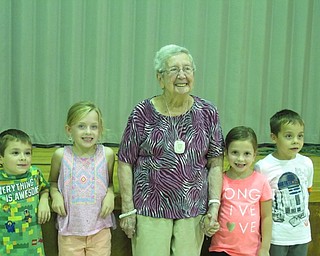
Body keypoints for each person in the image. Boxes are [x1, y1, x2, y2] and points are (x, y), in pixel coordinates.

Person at [117, 44, 225, 256]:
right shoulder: (143, 113)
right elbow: (125, 161)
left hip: (192, 209)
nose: (182, 75)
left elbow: (215, 162)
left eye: (187, 68)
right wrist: (127, 209)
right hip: (150, 209)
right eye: (174, 70)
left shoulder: (207, 112)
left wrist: (214, 205)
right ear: (160, 78)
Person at [49, 101, 115, 256]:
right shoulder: (60, 155)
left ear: (100, 130)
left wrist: (110, 195)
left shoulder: (107, 155)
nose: (88, 132)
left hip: (100, 229)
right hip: (69, 231)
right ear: (69, 130)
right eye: (81, 126)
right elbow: (52, 182)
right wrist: (56, 195)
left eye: (94, 127)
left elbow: (110, 183)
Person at [255, 109, 314, 256]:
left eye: (300, 136)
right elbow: (259, 203)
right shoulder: (264, 166)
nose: (296, 141)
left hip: (301, 234)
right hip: (276, 237)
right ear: (274, 137)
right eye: (289, 136)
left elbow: (307, 191)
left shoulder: (306, 163)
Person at [207, 126, 272, 256]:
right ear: (226, 152)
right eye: (235, 152)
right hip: (221, 249)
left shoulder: (262, 182)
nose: (240, 159)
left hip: (251, 251)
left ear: (255, 155)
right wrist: (209, 225)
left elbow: (267, 217)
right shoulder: (220, 180)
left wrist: (265, 248)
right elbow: (211, 211)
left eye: (246, 154)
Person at [0, 129, 51, 255]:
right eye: (15, 153)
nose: (23, 158)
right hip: (6, 249)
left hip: (33, 248)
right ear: (1, 159)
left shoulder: (35, 174)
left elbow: (45, 188)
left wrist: (44, 201)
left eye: (27, 153)